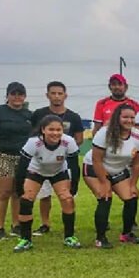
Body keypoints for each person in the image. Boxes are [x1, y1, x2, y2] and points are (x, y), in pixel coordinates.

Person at [12, 114, 80, 252]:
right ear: (43, 130)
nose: (55, 133)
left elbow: (74, 166)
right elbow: (22, 166)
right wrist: (19, 188)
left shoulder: (69, 141)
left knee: (67, 199)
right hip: (36, 171)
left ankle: (69, 237)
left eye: (58, 130)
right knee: (26, 200)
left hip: (58, 171)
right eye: (51, 129)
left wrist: (74, 186)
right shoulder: (33, 142)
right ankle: (25, 239)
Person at [82, 104, 139, 248]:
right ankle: (100, 238)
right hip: (94, 167)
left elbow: (137, 164)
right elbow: (97, 160)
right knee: (105, 197)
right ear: (117, 117)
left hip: (117, 169)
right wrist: (104, 182)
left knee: (131, 197)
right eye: (125, 117)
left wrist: (133, 184)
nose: (129, 120)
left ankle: (127, 234)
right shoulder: (105, 133)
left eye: (132, 117)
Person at [28, 81, 84, 236]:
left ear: (65, 95)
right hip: (43, 160)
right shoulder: (39, 114)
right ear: (47, 95)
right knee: (44, 194)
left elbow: (79, 138)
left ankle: (69, 227)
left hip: (64, 161)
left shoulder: (73, 116)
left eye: (60, 93)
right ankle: (45, 223)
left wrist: (64, 148)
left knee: (67, 195)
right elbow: (32, 134)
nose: (57, 96)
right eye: (53, 93)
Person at [0, 82, 33, 241]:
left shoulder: (29, 115)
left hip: (23, 158)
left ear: (24, 96)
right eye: (13, 94)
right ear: (7, 96)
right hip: (2, 156)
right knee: (3, 193)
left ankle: (16, 225)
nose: (17, 97)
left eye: (20, 94)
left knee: (18, 192)